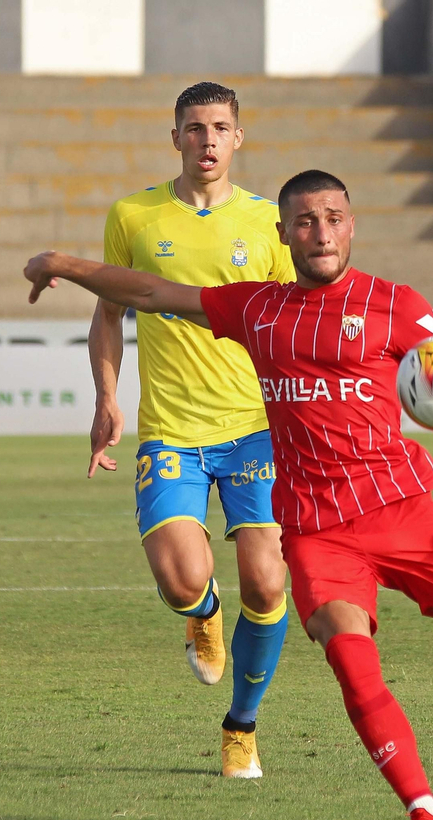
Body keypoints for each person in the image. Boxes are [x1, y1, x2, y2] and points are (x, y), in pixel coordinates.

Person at [25, 170, 433, 820]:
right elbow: (151, 291)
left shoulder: (399, 306)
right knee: (351, 659)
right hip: (316, 531)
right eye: (304, 220)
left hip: (403, 512)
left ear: (351, 225)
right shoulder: (257, 309)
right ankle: (426, 812)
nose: (320, 231)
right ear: (283, 233)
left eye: (332, 217)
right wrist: (62, 263)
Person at [86, 82, 295, 778]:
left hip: (256, 431)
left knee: (267, 585)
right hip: (172, 430)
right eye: (195, 127)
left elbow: (298, 325)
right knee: (183, 578)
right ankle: (201, 613)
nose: (208, 140)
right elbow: (108, 315)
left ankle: (242, 727)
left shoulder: (271, 223)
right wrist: (107, 397)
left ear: (240, 138)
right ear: (174, 137)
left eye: (221, 127)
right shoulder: (135, 216)